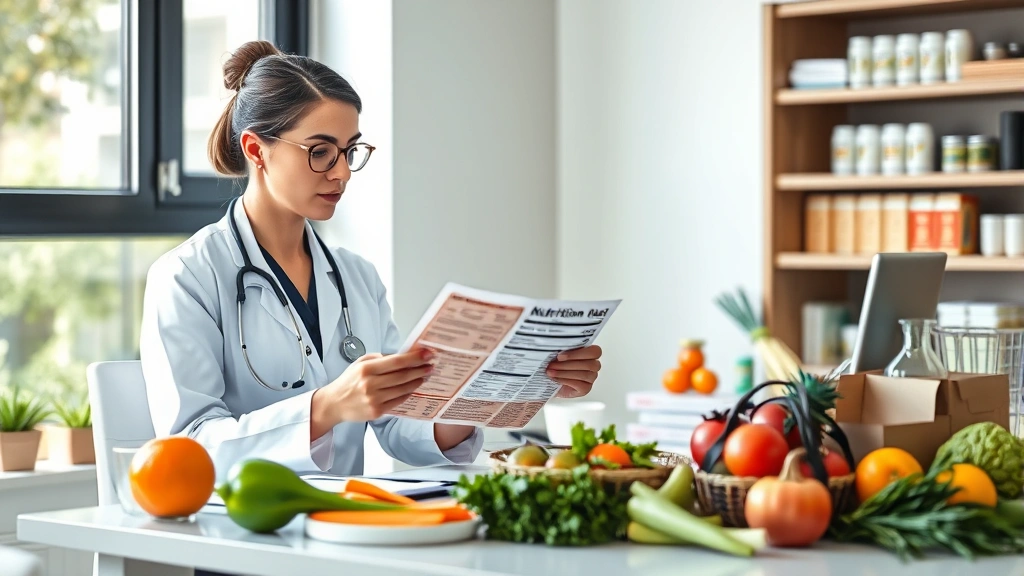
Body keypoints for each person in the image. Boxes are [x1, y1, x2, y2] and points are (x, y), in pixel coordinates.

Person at [139, 40, 604, 485]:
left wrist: (510, 384)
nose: (340, 172)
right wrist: (327, 408)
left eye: (349, 150)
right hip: (237, 539)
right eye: (319, 152)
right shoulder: (187, 278)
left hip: (343, 532)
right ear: (257, 149)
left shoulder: (355, 278)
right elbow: (189, 448)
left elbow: (400, 427)